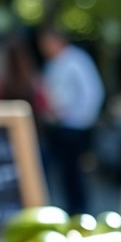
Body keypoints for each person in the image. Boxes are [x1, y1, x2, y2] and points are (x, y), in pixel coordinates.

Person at [37, 24, 105, 215]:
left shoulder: (76, 60)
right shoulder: (53, 63)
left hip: (74, 126)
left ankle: (80, 211)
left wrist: (79, 119)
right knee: (63, 173)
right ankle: (69, 210)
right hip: (58, 125)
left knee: (75, 173)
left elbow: (93, 92)